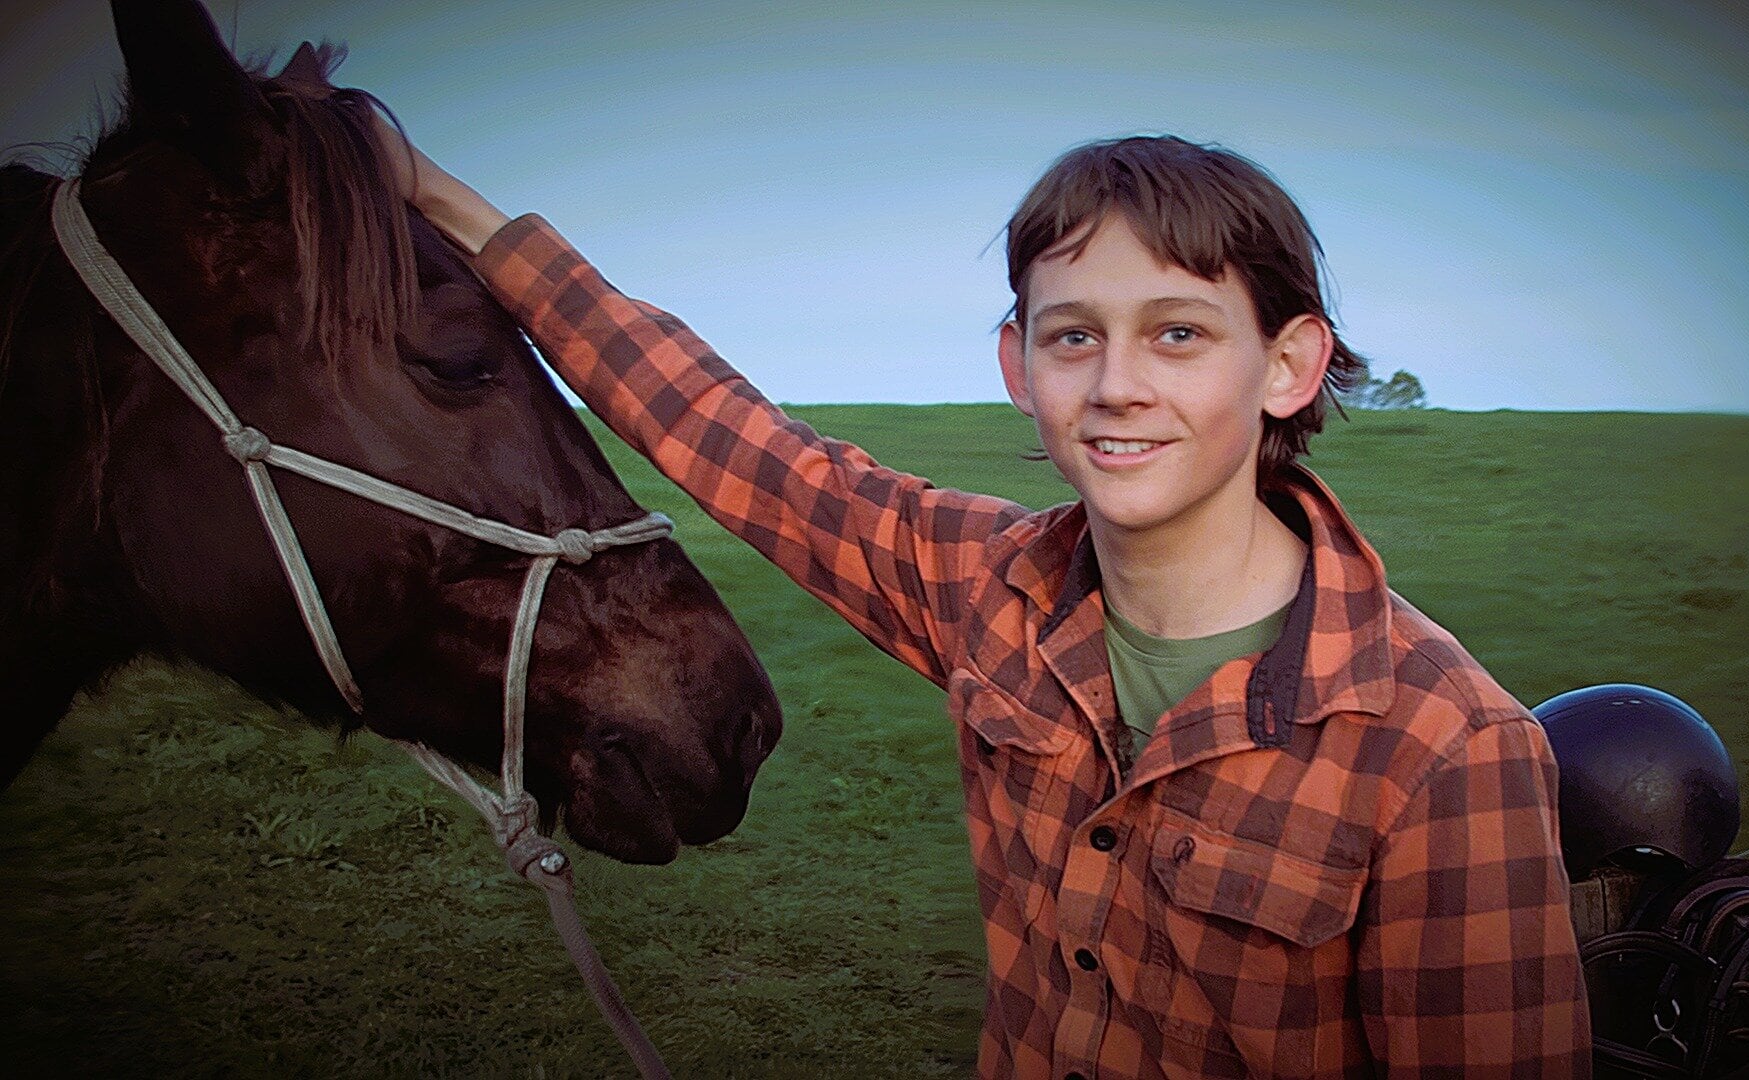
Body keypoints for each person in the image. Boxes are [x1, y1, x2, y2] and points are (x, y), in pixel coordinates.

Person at [382, 127, 1591, 1078]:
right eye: (1074, 338)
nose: (1117, 386)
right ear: (1018, 365)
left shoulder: (1447, 748)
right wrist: (437, 196)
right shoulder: (985, 585)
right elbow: (730, 436)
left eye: (1178, 334)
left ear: (1289, 365)